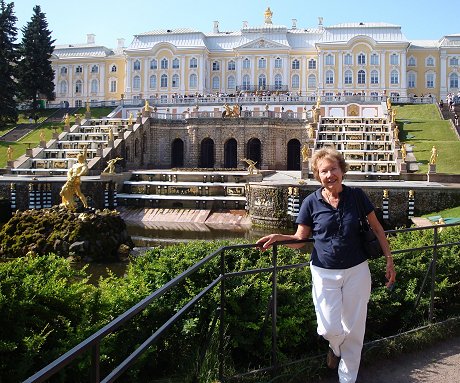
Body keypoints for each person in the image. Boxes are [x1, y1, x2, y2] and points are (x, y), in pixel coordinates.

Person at [257, 147, 396, 383]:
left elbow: (377, 229)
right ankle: (336, 348)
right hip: (323, 271)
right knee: (328, 328)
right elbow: (301, 239)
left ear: (342, 171)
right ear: (317, 175)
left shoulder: (357, 196)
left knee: (354, 328)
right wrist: (279, 238)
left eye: (333, 169)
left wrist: (389, 260)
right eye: (324, 171)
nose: (329, 174)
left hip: (357, 270)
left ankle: (347, 378)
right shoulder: (311, 202)